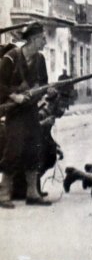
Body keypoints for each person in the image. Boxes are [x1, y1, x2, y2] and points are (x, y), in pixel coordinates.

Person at [0, 21, 51, 207]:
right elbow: (1, 84)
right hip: (14, 111)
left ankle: (32, 193)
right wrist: (15, 96)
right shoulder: (11, 58)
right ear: (33, 39)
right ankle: (3, 193)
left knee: (34, 148)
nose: (45, 42)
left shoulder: (40, 60)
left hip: (30, 110)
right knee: (13, 149)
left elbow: (44, 83)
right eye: (42, 39)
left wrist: (41, 92)